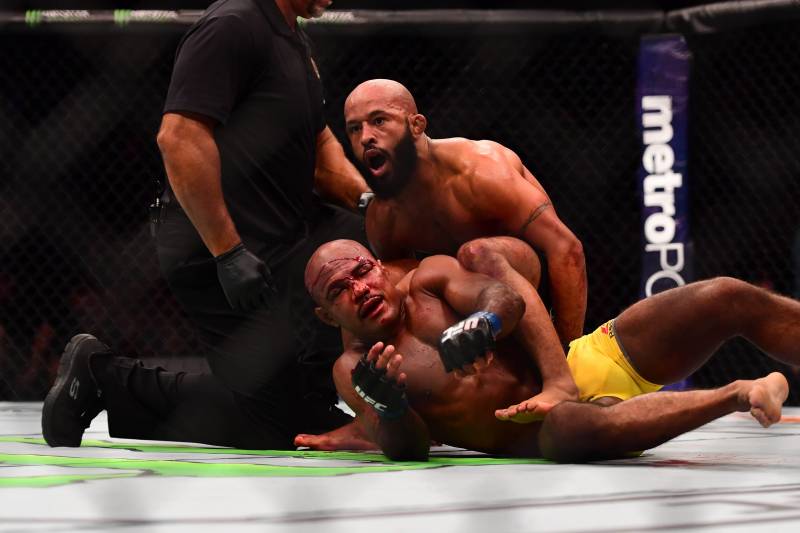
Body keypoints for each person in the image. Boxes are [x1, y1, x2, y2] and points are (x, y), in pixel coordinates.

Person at [42, 0, 372, 449]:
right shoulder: (232, 24)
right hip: (213, 243)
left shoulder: (294, 39)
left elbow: (319, 143)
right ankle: (105, 378)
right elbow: (179, 136)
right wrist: (227, 251)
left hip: (284, 236)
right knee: (281, 427)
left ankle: (304, 397)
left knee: (373, 235)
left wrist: (369, 201)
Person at [296, 239, 792, 462]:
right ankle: (738, 393)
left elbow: (504, 297)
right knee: (568, 423)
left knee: (728, 295)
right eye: (338, 289)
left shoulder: (430, 279)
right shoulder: (355, 369)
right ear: (326, 315)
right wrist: (393, 406)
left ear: (379, 266)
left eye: (361, 271)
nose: (358, 287)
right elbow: (412, 450)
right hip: (543, 434)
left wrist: (484, 323)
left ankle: (571, 388)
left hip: (592, 359)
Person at [343, 78, 586, 414]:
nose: (366, 137)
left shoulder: (481, 172)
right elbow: (395, 291)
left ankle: (562, 381)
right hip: (466, 302)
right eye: (354, 129)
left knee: (477, 253)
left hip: (522, 281)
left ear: (416, 125)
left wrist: (568, 351)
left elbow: (566, 249)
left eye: (379, 121)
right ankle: (374, 416)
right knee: (359, 284)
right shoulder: (385, 214)